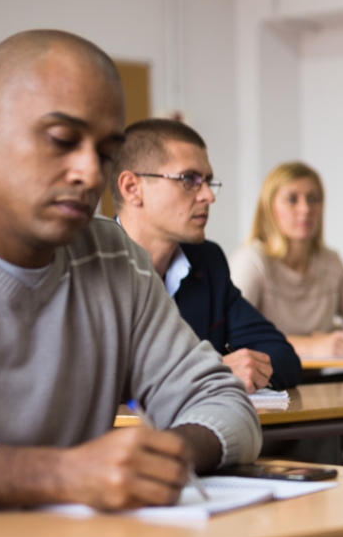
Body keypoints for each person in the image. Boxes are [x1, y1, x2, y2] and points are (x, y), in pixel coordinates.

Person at [0, 30, 260, 537]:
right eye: (62, 140)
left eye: (106, 151)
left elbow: (221, 400)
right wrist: (61, 474)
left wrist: (164, 453)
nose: (90, 173)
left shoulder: (112, 255)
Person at [113, 118, 301, 392]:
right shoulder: (91, 266)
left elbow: (283, 357)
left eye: (208, 181)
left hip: (206, 431)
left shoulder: (207, 261)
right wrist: (209, 371)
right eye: (189, 180)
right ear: (132, 188)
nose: (208, 196)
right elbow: (89, 385)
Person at [230, 162, 343, 360]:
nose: (305, 209)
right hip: (268, 385)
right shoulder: (252, 260)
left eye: (313, 199)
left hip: (318, 381)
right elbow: (232, 336)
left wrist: (340, 341)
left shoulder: (330, 261)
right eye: (292, 199)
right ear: (268, 207)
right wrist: (311, 345)